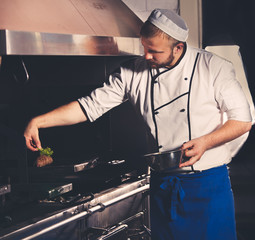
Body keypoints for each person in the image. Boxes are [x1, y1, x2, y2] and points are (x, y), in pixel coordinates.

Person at [24, 9, 253, 240]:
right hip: (164, 185)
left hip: (207, 186)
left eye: (154, 51)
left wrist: (205, 142)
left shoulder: (213, 67)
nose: (147, 56)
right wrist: (39, 122)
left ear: (178, 48)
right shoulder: (132, 71)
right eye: (144, 48)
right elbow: (89, 106)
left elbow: (243, 121)